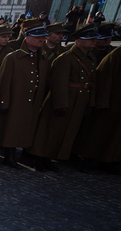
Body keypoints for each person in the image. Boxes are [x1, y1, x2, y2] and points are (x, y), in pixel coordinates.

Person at [29, 24, 98, 172]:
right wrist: (61, 103)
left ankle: (51, 157)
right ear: (78, 41)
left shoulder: (90, 59)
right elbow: (59, 82)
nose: (94, 41)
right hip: (65, 99)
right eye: (89, 39)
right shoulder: (66, 58)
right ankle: (41, 157)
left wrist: (90, 103)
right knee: (51, 130)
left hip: (79, 100)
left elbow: (91, 83)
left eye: (94, 39)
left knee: (67, 132)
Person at [0, 24, 49, 168]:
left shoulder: (42, 58)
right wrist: (3, 102)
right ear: (27, 39)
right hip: (11, 100)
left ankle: (10, 157)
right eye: (38, 38)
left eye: (43, 38)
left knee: (16, 129)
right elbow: (4, 82)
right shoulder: (13, 57)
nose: (41, 41)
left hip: (26, 102)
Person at [73, 43, 121, 170]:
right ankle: (89, 159)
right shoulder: (116, 55)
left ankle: (111, 161)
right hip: (112, 103)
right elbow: (104, 79)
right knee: (98, 133)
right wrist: (103, 102)